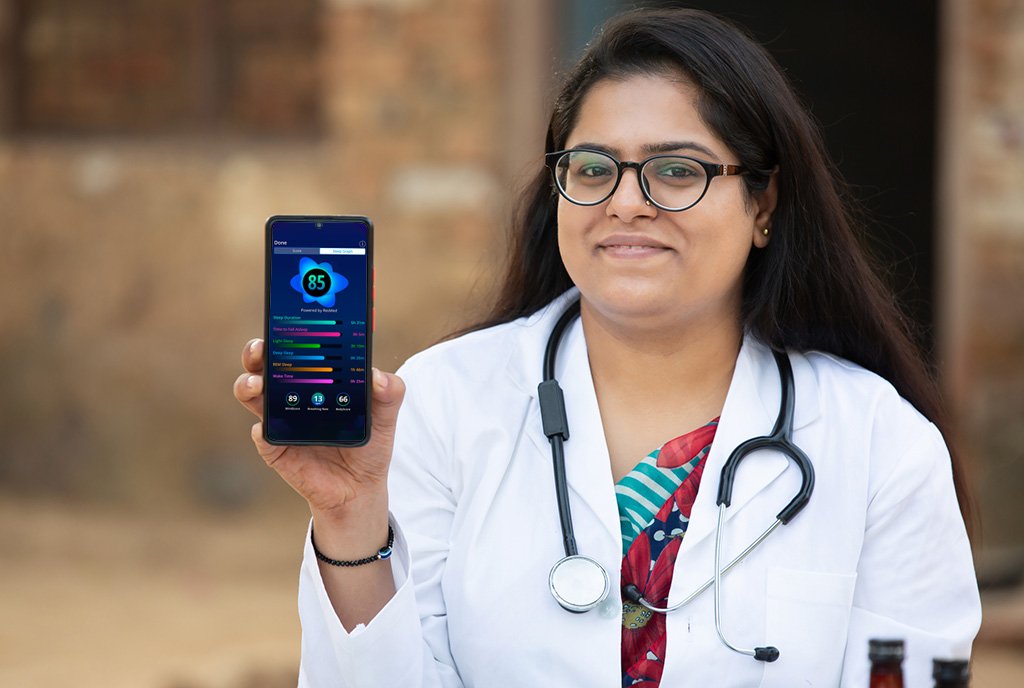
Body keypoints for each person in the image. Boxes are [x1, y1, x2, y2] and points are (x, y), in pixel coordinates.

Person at [234, 8, 980, 687]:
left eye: (677, 170)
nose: (626, 201)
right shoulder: (444, 403)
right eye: (593, 169)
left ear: (764, 205)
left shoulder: (879, 441)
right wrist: (350, 516)